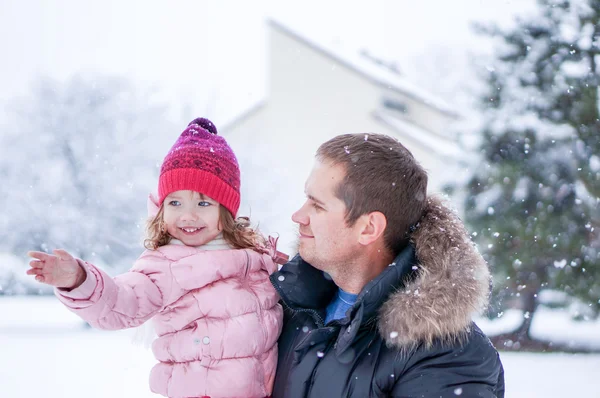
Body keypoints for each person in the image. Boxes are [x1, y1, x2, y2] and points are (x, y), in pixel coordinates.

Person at [26, 118, 285, 398]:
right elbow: (122, 301)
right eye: (175, 203)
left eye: (203, 203)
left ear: (226, 210)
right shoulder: (165, 266)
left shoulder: (254, 257)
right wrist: (78, 279)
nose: (188, 215)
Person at [269, 133, 505, 397]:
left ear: (369, 229)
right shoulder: (285, 307)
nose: (298, 216)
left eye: (318, 205)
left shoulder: (448, 355)